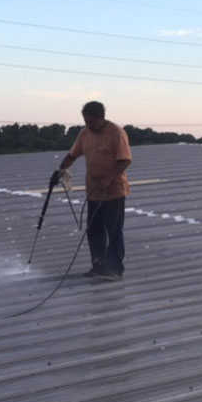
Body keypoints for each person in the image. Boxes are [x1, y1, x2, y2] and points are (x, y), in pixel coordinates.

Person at [56, 101, 132, 281]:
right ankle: (98, 266)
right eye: (85, 122)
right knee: (94, 230)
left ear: (101, 118)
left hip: (113, 191)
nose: (88, 125)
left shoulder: (116, 133)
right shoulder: (85, 134)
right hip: (94, 190)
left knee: (113, 231)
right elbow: (72, 155)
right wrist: (59, 171)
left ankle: (114, 269)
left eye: (91, 122)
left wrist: (109, 178)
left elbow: (125, 160)